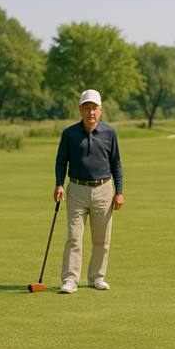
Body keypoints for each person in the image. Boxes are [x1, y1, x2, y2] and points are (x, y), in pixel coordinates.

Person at [53, 89, 124, 294]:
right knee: (74, 237)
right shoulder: (69, 133)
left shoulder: (110, 133)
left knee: (102, 239)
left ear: (100, 110)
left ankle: (96, 277)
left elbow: (116, 164)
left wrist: (119, 191)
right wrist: (59, 184)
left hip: (103, 189)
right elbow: (61, 162)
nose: (90, 112)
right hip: (76, 190)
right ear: (80, 110)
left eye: (94, 108)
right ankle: (70, 280)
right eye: (86, 108)